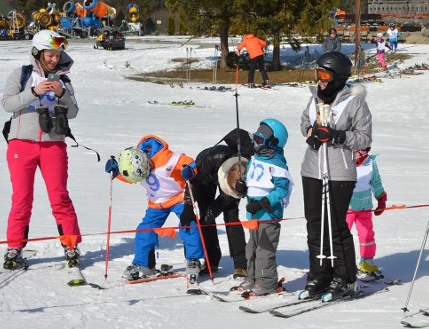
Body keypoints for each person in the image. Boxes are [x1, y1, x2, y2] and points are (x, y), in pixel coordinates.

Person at [0, 30, 82, 270]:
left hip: (53, 145)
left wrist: (62, 94)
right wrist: (33, 92)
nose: (54, 59)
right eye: (50, 54)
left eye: (57, 55)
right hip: (21, 144)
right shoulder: (21, 74)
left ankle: (71, 245)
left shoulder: (64, 81)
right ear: (37, 52)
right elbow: (7, 104)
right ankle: (14, 247)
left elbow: (74, 112)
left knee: (60, 197)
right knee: (21, 198)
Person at [300, 51, 372, 300]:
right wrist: (310, 131)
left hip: (340, 171)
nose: (320, 79)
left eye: (325, 74)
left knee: (335, 226)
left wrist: (338, 136)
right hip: (312, 169)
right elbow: (303, 121)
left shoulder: (354, 102)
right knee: (314, 225)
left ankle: (345, 277)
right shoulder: (314, 97)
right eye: (318, 73)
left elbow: (364, 137)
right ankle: (320, 274)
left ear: (338, 77)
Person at [104, 136, 205, 281]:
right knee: (144, 229)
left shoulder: (167, 158)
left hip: (178, 198)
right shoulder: (134, 164)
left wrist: (190, 169)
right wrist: (117, 172)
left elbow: (188, 162)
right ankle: (143, 264)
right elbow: (132, 177)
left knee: (188, 223)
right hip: (156, 203)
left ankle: (194, 259)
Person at [186, 128, 253, 277]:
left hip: (233, 183)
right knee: (205, 217)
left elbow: (225, 199)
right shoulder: (211, 158)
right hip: (205, 178)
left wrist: (214, 211)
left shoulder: (245, 174)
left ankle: (241, 265)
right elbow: (192, 183)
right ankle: (211, 261)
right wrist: (188, 205)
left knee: (231, 217)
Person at [238, 118, 294, 296]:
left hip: (268, 213)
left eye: (260, 140)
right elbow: (251, 181)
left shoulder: (277, 163)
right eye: (255, 138)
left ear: (273, 142)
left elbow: (282, 189)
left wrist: (264, 202)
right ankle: (252, 277)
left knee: (264, 249)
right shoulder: (255, 159)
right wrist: (242, 187)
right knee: (251, 247)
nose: (255, 143)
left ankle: (267, 282)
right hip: (252, 212)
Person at [347, 134, 388, 281]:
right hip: (347, 208)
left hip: (364, 207)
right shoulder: (345, 163)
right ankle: (340, 264)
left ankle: (367, 262)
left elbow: (376, 182)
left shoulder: (370, 163)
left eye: (360, 151)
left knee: (366, 236)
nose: (357, 154)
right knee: (342, 235)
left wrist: (381, 199)